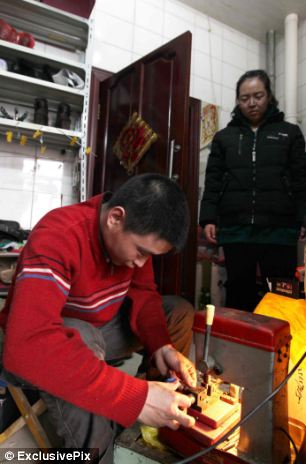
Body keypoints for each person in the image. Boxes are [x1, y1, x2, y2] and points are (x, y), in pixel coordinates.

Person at [0, 173, 197, 463]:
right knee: (83, 335)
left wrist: (162, 347)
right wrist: (132, 396)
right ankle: (100, 450)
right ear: (115, 218)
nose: (142, 263)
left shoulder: (132, 239)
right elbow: (27, 346)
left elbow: (144, 293)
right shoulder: (60, 234)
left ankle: (155, 409)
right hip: (37, 344)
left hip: (97, 329)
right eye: (141, 252)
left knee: (178, 312)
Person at [199, 69, 306, 312]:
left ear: (269, 96)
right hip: (237, 230)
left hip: (280, 228)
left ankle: (283, 347)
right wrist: (208, 218)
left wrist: (303, 217)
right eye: (245, 98)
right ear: (238, 101)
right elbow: (213, 180)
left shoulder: (289, 133)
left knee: (281, 295)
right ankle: (240, 348)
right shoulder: (224, 137)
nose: (251, 103)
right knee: (238, 292)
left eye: (257, 96)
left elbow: (301, 179)